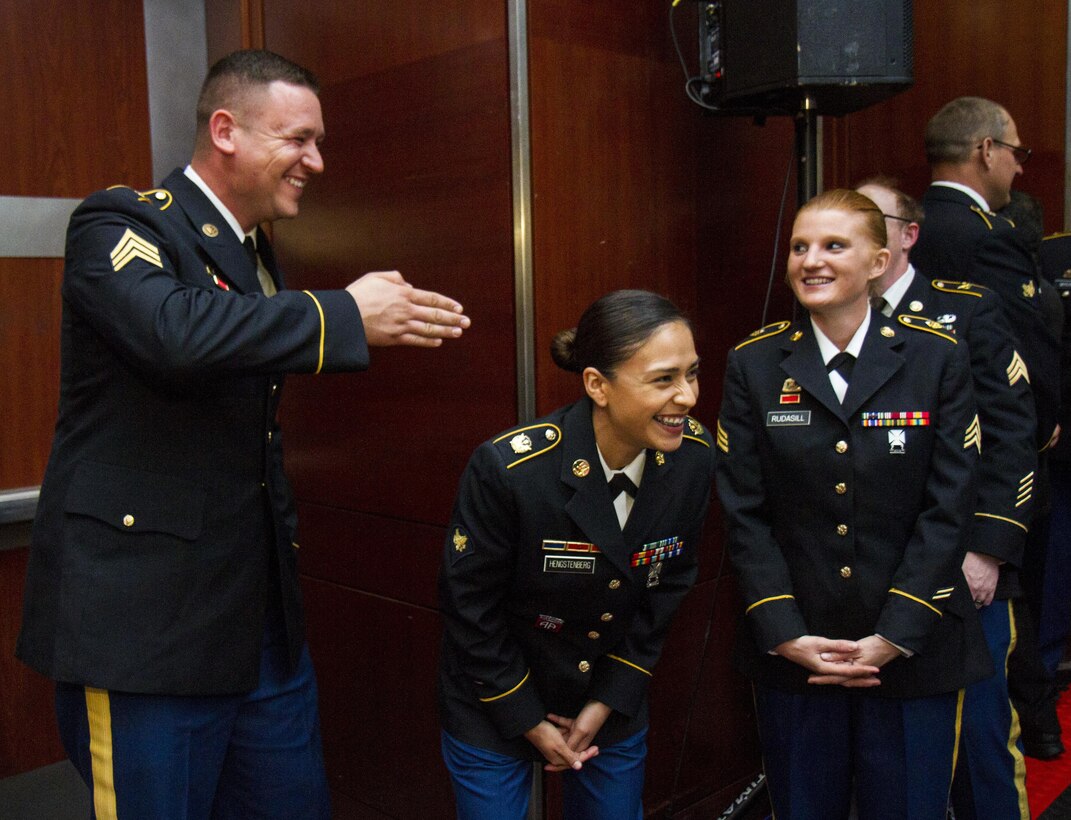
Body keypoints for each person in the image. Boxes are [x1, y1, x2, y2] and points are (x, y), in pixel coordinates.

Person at [16, 49, 469, 819]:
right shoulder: (122, 221)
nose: (315, 161)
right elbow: (173, 332)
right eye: (297, 139)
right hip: (147, 635)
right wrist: (344, 314)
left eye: (317, 141)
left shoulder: (255, 253)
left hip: (256, 627)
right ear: (225, 130)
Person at [716, 189, 990, 820]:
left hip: (912, 646)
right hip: (798, 650)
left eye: (834, 245)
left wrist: (895, 634)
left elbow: (949, 507)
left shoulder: (935, 356)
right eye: (799, 246)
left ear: (878, 260)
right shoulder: (755, 364)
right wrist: (784, 632)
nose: (811, 260)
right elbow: (744, 513)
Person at [438, 289, 714, 819]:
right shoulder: (512, 470)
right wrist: (526, 716)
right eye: (664, 379)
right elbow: (469, 607)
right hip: (495, 695)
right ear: (597, 385)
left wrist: (608, 698)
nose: (688, 397)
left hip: (608, 697)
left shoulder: (694, 459)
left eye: (692, 374)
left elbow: (672, 583)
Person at [858, 178, 1034, 819]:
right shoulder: (823, 321)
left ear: (908, 235)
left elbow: (1013, 432)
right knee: (896, 759)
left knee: (982, 742)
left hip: (964, 568)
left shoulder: (968, 310)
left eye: (872, 220)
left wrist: (989, 547)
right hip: (875, 572)